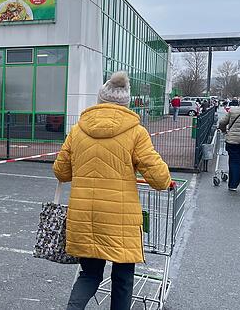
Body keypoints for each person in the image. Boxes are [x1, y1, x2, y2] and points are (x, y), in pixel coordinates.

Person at [53, 71, 172, 310]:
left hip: (85, 215)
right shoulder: (136, 132)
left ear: (100, 100)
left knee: (89, 274)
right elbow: (159, 179)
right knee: (123, 279)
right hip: (120, 218)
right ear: (126, 102)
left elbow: (61, 172)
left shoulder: (78, 130)